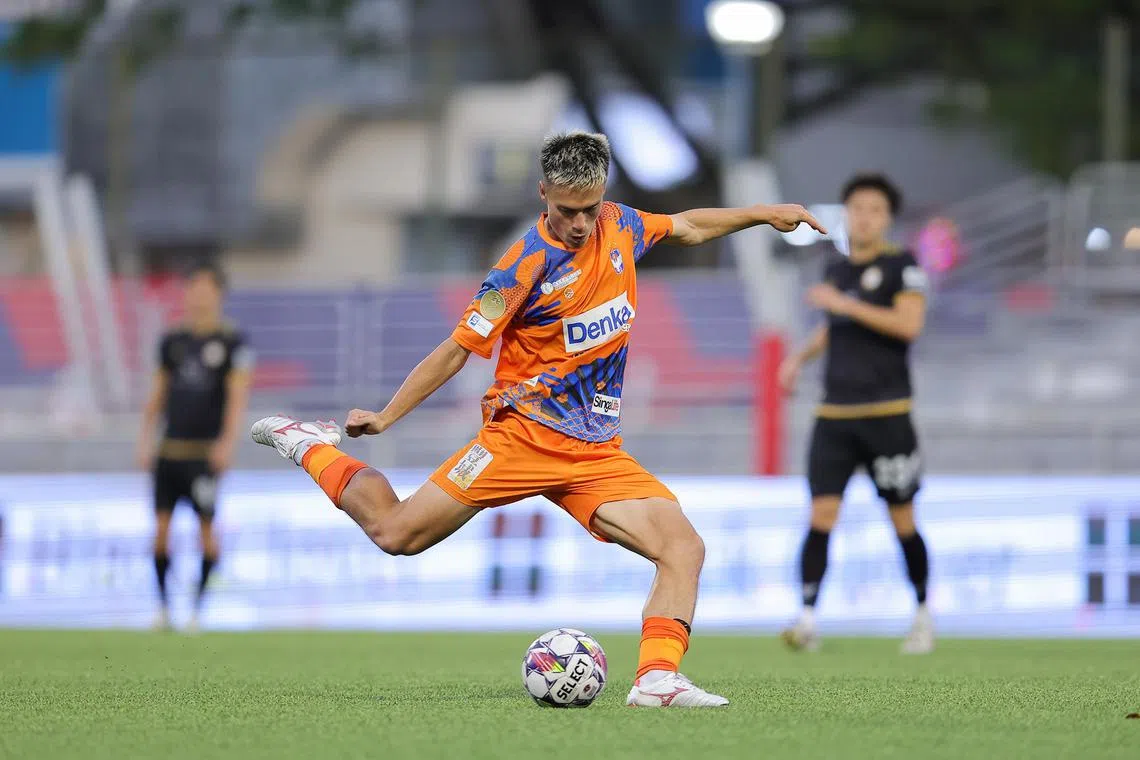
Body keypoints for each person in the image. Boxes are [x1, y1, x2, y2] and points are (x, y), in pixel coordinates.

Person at [251, 131, 823, 707]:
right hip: (520, 437)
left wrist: (762, 214)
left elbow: (687, 225)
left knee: (684, 548)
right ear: (543, 192)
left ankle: (656, 678)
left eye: (590, 209)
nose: (580, 223)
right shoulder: (519, 268)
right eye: (567, 210)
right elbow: (456, 349)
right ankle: (309, 445)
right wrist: (386, 417)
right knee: (396, 533)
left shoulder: (620, 225)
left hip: (597, 453)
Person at [778, 173, 933, 654]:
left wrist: (843, 303)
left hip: (887, 413)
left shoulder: (902, 266)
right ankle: (806, 619)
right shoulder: (838, 270)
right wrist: (799, 359)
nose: (863, 217)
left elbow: (908, 325)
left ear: (887, 219)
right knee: (821, 514)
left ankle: (923, 613)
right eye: (856, 208)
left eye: (874, 210)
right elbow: (834, 327)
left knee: (902, 519)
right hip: (835, 415)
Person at [137, 262, 253, 632]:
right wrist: (145, 438)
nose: (199, 296)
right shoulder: (172, 342)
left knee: (206, 532)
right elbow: (157, 396)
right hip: (170, 451)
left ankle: (197, 611)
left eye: (207, 289)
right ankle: (163, 608)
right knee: (159, 531)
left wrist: (227, 443)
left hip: (204, 455)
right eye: (194, 288)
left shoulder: (233, 343)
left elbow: (237, 399)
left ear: (218, 295)